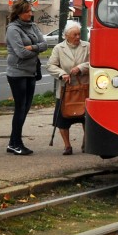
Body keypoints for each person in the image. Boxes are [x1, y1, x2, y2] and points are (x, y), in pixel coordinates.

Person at [5, 0, 48, 155]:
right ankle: (16, 143)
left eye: (31, 11)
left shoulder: (33, 26)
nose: (31, 14)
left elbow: (45, 44)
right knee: (20, 109)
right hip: (17, 73)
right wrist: (36, 49)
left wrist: (32, 47)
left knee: (26, 108)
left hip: (31, 72)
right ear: (18, 13)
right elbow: (21, 53)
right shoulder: (13, 29)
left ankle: (13, 142)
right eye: (27, 11)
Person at [47, 21, 90, 155]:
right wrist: (62, 74)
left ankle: (86, 142)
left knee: (86, 119)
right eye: (74, 35)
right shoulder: (59, 48)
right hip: (65, 89)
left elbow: (95, 61)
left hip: (84, 88)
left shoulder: (87, 46)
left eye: (79, 34)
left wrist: (81, 68)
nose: (78, 37)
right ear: (66, 36)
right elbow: (51, 65)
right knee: (62, 120)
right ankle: (67, 146)